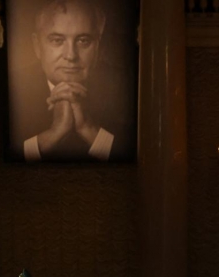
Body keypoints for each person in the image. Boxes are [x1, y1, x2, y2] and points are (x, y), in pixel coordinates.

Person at [9, 0, 135, 162]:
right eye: (57, 40)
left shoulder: (128, 88)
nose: (71, 56)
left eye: (83, 41)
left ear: (99, 48)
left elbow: (136, 162)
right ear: (37, 46)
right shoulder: (7, 89)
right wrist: (52, 136)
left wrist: (88, 128)